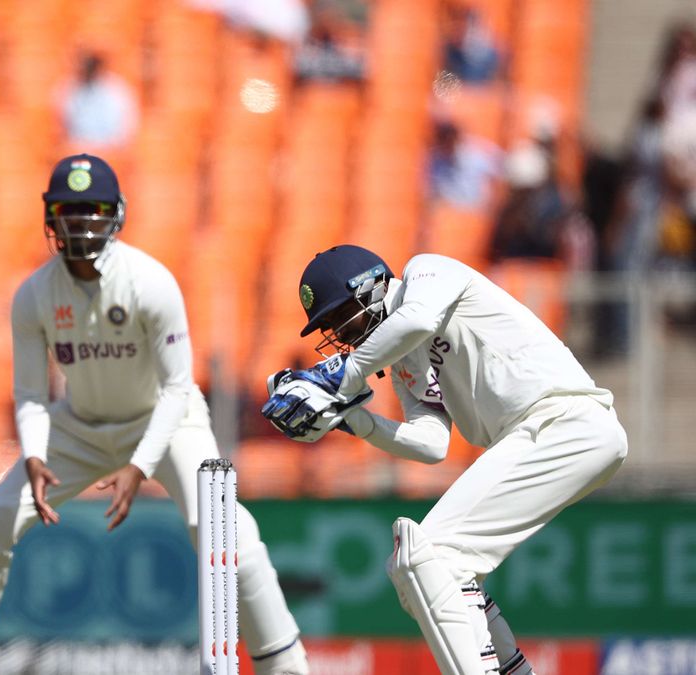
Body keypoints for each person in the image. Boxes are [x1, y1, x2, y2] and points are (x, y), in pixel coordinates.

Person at [0, 154, 309, 675]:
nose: (81, 223)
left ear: (116, 214)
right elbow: (29, 396)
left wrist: (139, 465)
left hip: (167, 420)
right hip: (78, 428)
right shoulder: (34, 295)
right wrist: (37, 453)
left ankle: (285, 666)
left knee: (225, 527)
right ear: (51, 219)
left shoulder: (150, 282)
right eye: (69, 212)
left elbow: (179, 388)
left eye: (93, 210)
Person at [261, 245, 628, 675]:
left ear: (368, 288)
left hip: (563, 420)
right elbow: (431, 443)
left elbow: (417, 319)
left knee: (429, 555)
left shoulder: (427, 272)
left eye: (339, 320)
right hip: (541, 435)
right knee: (414, 572)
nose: (340, 338)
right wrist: (353, 421)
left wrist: (341, 375)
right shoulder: (402, 361)